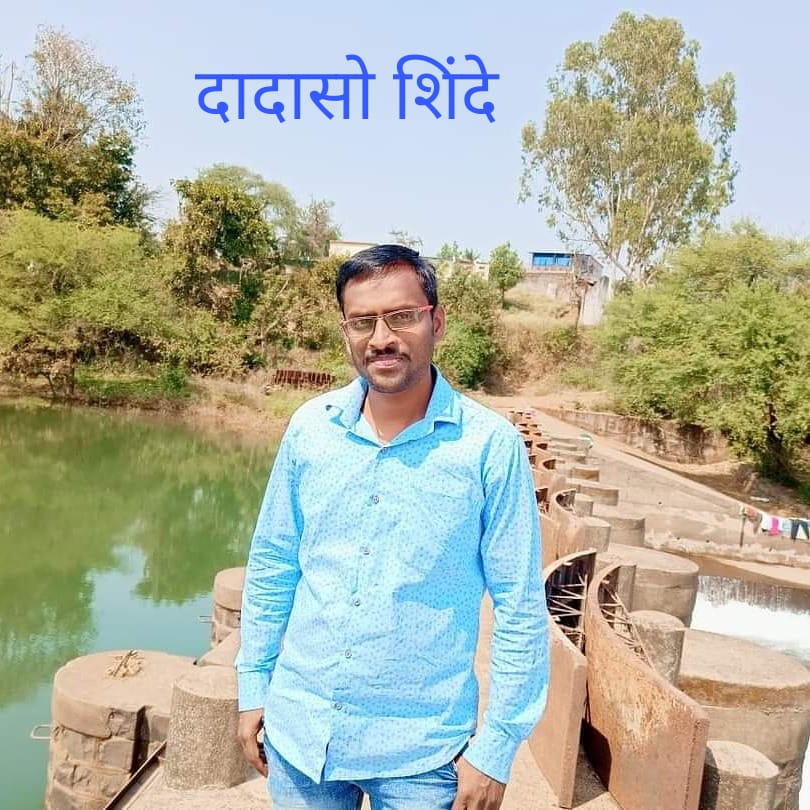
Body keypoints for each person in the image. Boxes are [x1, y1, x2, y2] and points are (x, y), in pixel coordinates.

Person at [236, 244, 549, 810]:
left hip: (422, 757)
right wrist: (253, 683)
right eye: (363, 322)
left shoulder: (488, 448)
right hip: (301, 733)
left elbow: (520, 605)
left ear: (436, 322)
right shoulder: (310, 430)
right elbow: (273, 564)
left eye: (402, 316)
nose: (381, 338)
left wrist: (496, 746)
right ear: (346, 332)